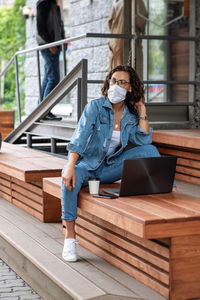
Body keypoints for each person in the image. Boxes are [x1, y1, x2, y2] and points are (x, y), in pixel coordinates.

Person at [61, 65, 161, 262]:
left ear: (130, 88)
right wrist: (71, 165)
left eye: (122, 82)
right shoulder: (94, 108)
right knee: (69, 178)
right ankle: (70, 237)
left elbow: (143, 141)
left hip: (110, 167)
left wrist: (141, 108)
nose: (116, 85)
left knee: (150, 151)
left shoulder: (130, 117)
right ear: (108, 84)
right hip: (87, 166)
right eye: (114, 81)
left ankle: (167, 191)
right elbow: (79, 139)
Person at [36, 0, 65, 120]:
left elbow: (59, 25)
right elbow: (40, 27)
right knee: (53, 78)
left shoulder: (55, 6)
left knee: (48, 77)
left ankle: (40, 110)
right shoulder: (43, 4)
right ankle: (45, 111)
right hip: (48, 46)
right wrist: (50, 43)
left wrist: (62, 41)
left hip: (56, 45)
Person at [108, 0, 147, 79]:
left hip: (115, 44)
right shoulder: (138, 3)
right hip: (131, 44)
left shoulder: (117, 4)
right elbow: (141, 22)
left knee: (117, 74)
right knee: (133, 74)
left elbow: (110, 24)